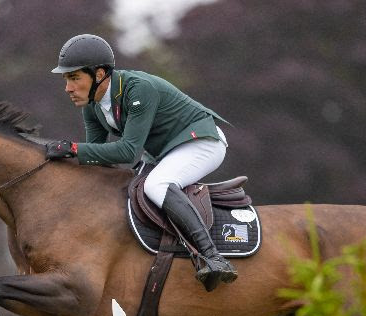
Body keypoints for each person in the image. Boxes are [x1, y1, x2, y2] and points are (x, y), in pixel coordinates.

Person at [46, 34, 237, 292]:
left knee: (156, 185)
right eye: (67, 79)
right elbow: (98, 158)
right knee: (130, 190)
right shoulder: (91, 106)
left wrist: (73, 149)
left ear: (100, 74)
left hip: (202, 142)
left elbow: (126, 152)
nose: (67, 88)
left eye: (74, 78)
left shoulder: (138, 89)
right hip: (164, 152)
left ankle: (212, 257)